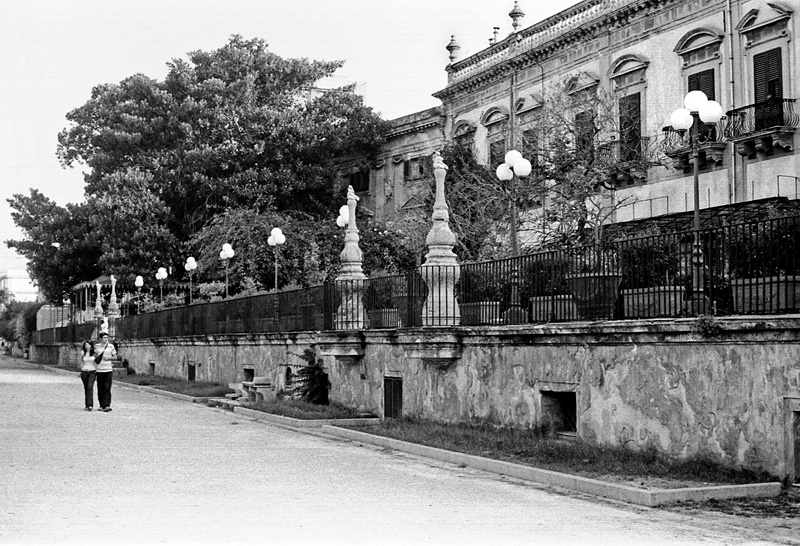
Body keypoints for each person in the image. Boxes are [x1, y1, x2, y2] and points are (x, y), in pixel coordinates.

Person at [94, 332, 117, 412]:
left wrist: (108, 358)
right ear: (100, 338)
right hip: (99, 370)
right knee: (100, 388)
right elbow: (94, 356)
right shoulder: (96, 346)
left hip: (108, 369)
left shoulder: (111, 346)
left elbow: (115, 357)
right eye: (104, 337)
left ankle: (107, 405)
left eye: (107, 337)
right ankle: (101, 405)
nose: (106, 339)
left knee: (107, 387)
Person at [79, 340, 96, 411]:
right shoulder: (83, 353)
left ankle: (90, 404)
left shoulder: (94, 353)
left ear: (91, 346)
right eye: (86, 345)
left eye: (88, 345)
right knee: (86, 388)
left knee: (90, 387)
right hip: (84, 371)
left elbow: (97, 362)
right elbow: (80, 362)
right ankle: (87, 404)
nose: (87, 346)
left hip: (92, 371)